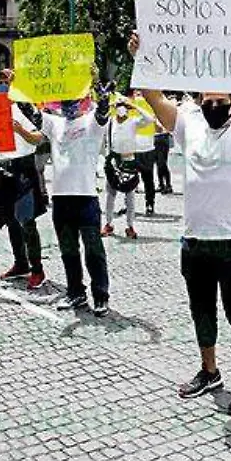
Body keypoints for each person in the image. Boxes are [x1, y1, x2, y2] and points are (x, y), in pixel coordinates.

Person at [128, 30, 231, 417]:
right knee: (200, 310)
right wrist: (141, 58)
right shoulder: (188, 124)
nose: (214, 101)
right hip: (193, 241)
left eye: (221, 97)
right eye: (207, 96)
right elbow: (153, 97)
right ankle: (210, 371)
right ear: (199, 98)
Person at [20, 84, 113, 317]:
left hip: (86, 197)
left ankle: (100, 295)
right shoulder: (55, 123)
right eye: (65, 99)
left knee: (93, 250)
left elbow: (102, 114)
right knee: (68, 250)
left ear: (81, 100)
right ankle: (76, 293)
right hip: (61, 198)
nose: (69, 103)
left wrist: (102, 98)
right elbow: (30, 113)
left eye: (73, 98)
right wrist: (18, 86)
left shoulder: (91, 122)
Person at [0, 73, 49, 290]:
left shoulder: (25, 108)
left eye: (7, 83)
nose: (3, 87)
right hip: (1, 168)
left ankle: (37, 268)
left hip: (22, 168)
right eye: (1, 83)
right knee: (10, 219)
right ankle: (21, 263)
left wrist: (19, 129)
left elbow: (39, 138)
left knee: (27, 221)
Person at [103, 95, 152, 239]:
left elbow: (149, 119)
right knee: (110, 195)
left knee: (130, 197)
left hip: (129, 162)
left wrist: (135, 106)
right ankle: (108, 223)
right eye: (119, 107)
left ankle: (130, 226)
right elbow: (98, 121)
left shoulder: (133, 122)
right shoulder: (110, 123)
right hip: (114, 163)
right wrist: (110, 105)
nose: (121, 109)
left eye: (122, 106)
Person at [132, 90, 159, 215]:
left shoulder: (151, 103)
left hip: (147, 147)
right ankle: (132, 205)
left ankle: (149, 204)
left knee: (147, 179)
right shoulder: (131, 103)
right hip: (134, 147)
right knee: (134, 179)